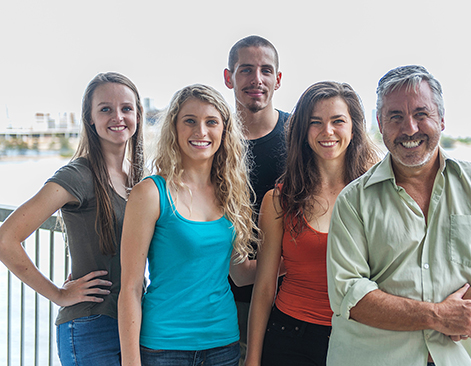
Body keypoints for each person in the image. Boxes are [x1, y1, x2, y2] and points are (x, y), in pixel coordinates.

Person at [326, 65, 471, 366]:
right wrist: (437, 316)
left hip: (456, 358)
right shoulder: (353, 201)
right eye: (396, 117)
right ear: (380, 123)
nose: (410, 129)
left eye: (421, 114)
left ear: (441, 119)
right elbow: (348, 294)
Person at [0, 72, 144, 365]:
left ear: (138, 115)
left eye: (126, 108)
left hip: (134, 323)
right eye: (105, 109)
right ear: (90, 118)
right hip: (91, 326)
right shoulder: (78, 175)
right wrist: (59, 294)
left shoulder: (139, 177)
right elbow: (6, 240)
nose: (118, 116)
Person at [118, 84, 259, 366]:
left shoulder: (230, 193)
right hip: (163, 347)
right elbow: (131, 288)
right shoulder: (151, 193)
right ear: (175, 127)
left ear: (224, 130)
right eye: (190, 121)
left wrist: (296, 260)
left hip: (223, 344)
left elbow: (240, 274)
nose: (201, 132)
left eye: (211, 122)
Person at [244, 81, 379, 366]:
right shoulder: (279, 200)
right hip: (290, 338)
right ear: (303, 132)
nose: (327, 131)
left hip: (359, 336)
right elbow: (265, 286)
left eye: (338, 121)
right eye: (315, 122)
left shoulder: (377, 195)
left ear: (354, 127)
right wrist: (253, 359)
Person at [223, 35, 290, 362]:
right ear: (228, 77)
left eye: (266, 70)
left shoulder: (301, 136)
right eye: (246, 70)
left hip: (293, 301)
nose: (256, 79)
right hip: (230, 304)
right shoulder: (213, 142)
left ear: (278, 79)